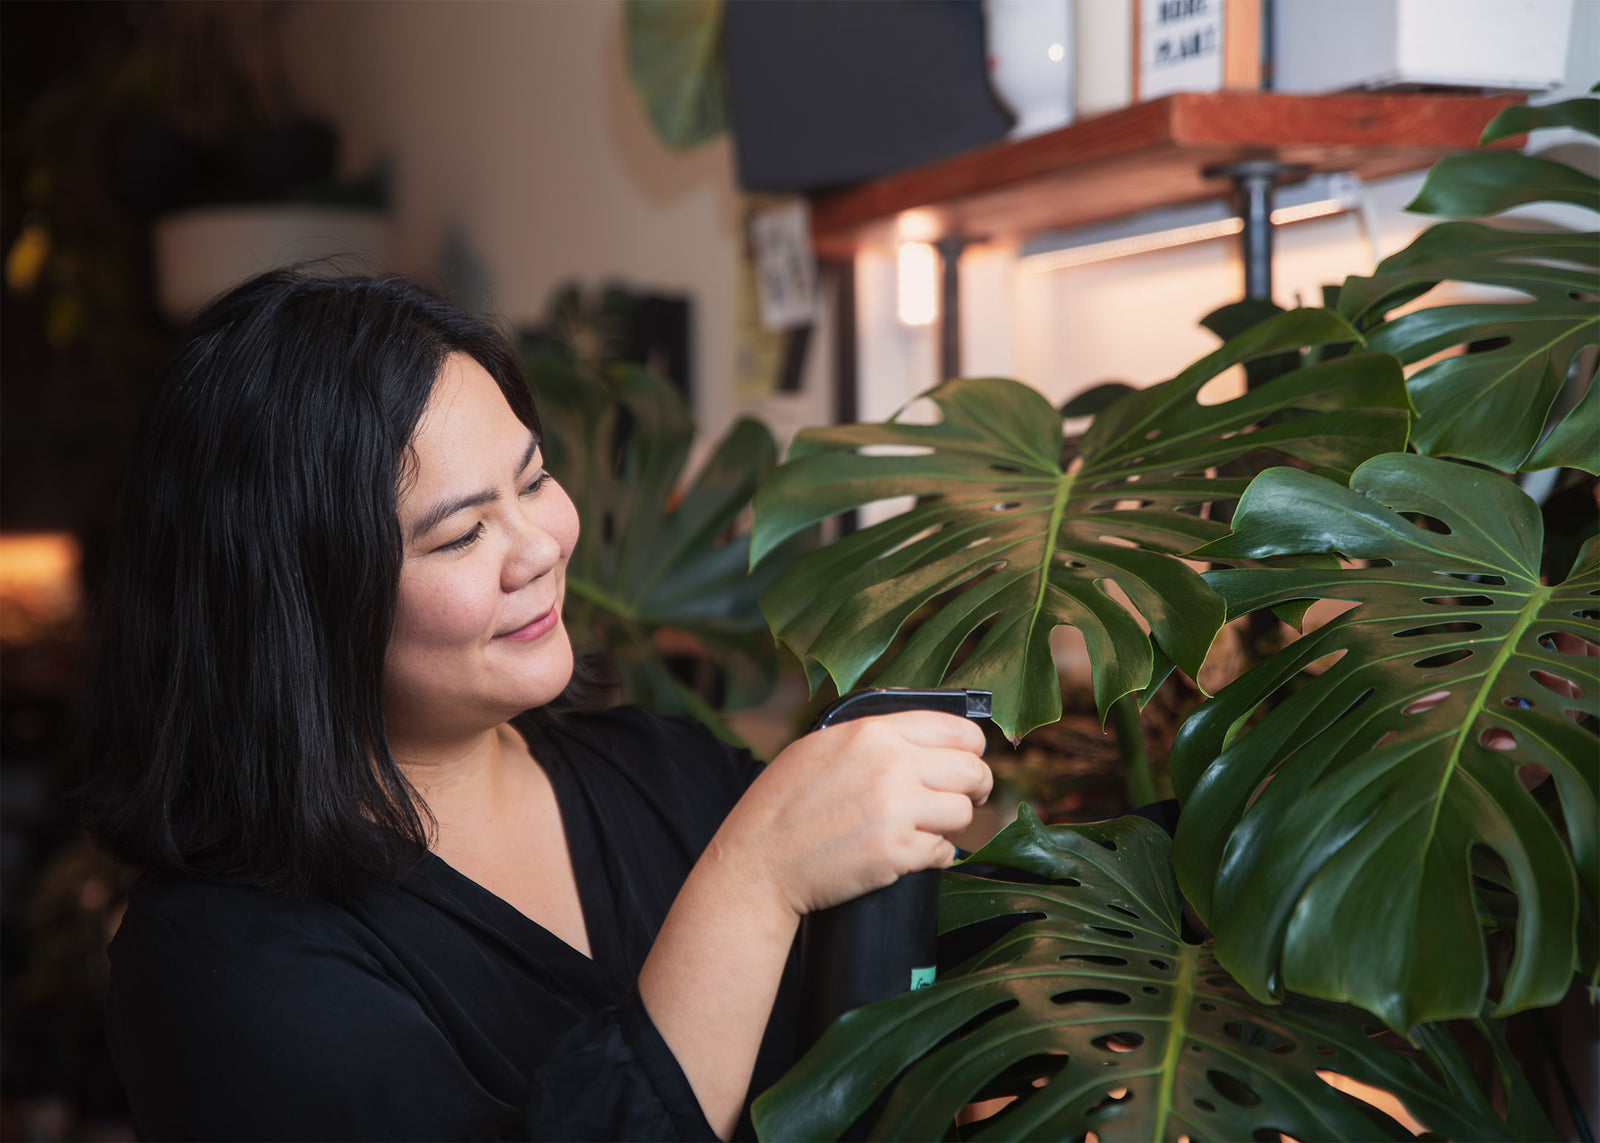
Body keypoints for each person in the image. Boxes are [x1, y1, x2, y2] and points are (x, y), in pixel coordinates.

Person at [80, 269, 992, 1142]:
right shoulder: (217, 958)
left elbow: (970, 1007)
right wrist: (752, 881)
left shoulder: (664, 770)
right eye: (461, 533)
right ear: (298, 606)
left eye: (534, 479)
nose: (542, 548)